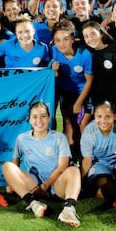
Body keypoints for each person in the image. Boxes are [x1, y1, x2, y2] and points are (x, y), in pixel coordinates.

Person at [0, 101, 83, 226]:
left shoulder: (59, 137)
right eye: (35, 117)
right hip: (34, 185)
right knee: (7, 166)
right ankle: (33, 204)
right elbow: (15, 160)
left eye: (43, 116)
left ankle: (68, 210)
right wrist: (12, 183)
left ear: (49, 118)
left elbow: (62, 167)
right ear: (29, 120)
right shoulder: (22, 138)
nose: (39, 120)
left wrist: (45, 186)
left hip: (56, 184)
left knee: (74, 170)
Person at [49, 21, 92, 159]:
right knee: (68, 122)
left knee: (83, 125)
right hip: (65, 92)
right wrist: (54, 71)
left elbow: (90, 81)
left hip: (83, 93)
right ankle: (70, 156)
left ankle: (86, 157)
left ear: (73, 38)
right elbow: (55, 75)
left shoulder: (84, 54)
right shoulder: (55, 51)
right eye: (57, 40)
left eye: (66, 39)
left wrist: (79, 103)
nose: (62, 43)